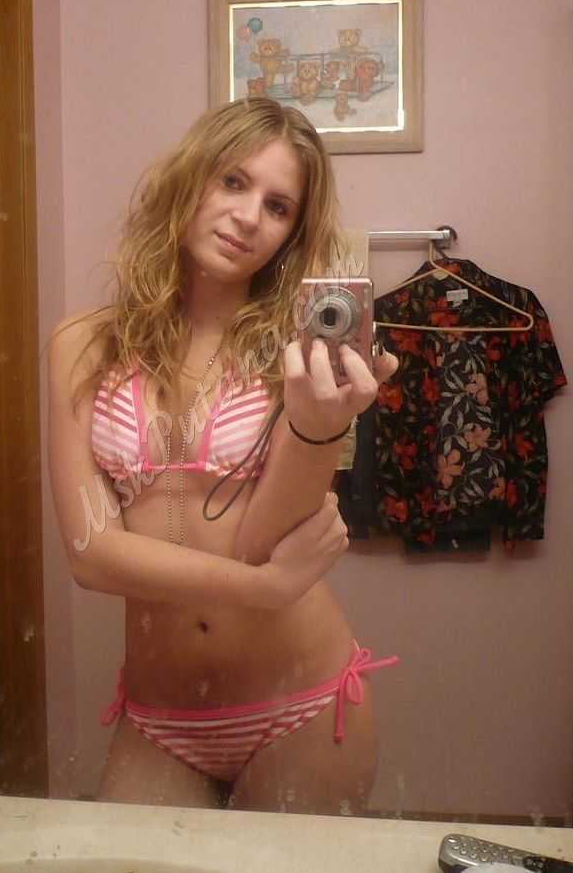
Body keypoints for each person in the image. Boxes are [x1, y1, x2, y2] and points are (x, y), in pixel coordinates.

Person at [48, 96, 398, 815]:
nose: (247, 217)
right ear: (190, 178)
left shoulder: (295, 351)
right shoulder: (82, 345)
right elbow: (91, 556)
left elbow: (261, 541)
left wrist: (317, 427)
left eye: (277, 206)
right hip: (160, 718)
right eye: (232, 181)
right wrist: (263, 589)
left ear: (291, 232)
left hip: (300, 705)